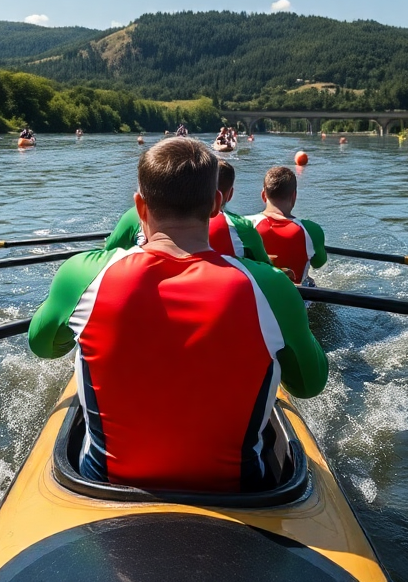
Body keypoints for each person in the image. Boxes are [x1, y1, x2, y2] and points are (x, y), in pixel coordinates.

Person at [29, 138, 327, 492]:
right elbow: (309, 386)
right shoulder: (274, 287)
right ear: (217, 204)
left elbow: (43, 347)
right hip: (241, 492)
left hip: (103, 484)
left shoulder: (80, 274)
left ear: (140, 207)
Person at [106, 159, 271, 265]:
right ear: (218, 200)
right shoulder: (242, 228)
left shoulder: (132, 216)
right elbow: (268, 269)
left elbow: (107, 253)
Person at [248, 166, 327, 286]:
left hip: (258, 294)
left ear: (263, 195)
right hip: (300, 297)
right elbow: (319, 263)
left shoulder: (245, 225)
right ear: (294, 196)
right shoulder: (311, 230)